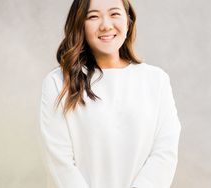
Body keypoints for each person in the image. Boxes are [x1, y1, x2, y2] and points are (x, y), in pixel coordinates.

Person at [39, 0, 182, 188]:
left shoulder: (156, 80)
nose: (106, 25)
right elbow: (59, 162)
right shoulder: (58, 83)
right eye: (93, 16)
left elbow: (164, 153)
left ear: (128, 21)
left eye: (114, 14)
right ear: (80, 23)